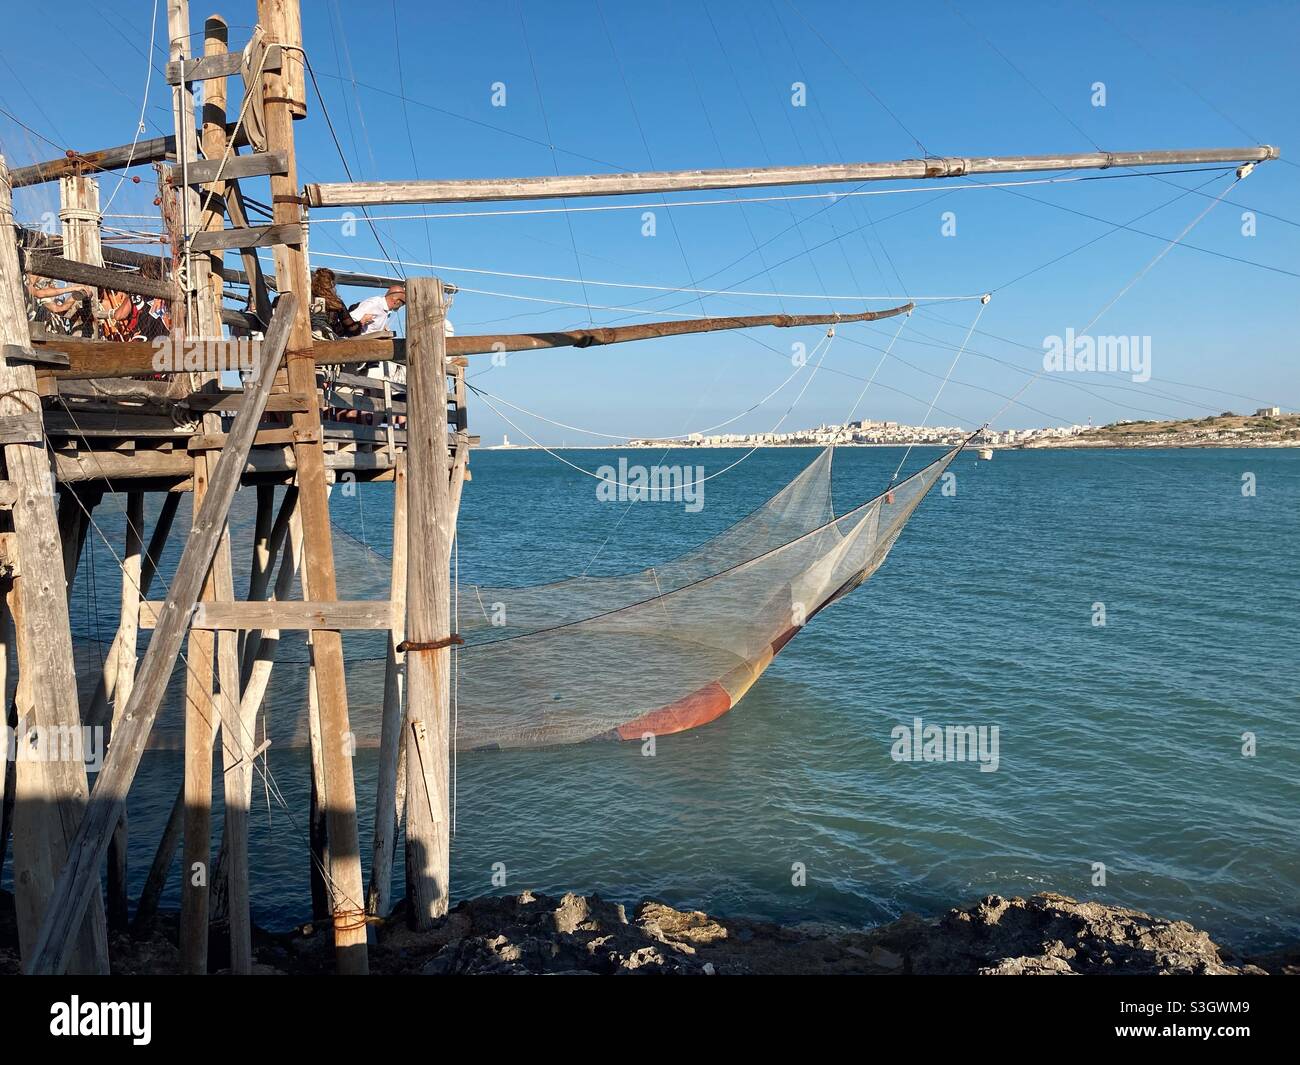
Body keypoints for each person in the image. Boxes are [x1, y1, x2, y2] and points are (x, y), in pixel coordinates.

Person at [310, 267, 365, 340]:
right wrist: (362, 322)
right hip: (329, 340)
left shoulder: (309, 297)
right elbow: (352, 329)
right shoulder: (336, 302)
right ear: (332, 283)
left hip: (309, 337)